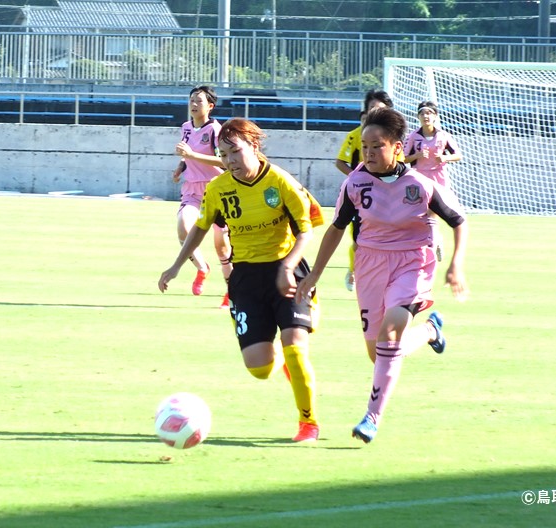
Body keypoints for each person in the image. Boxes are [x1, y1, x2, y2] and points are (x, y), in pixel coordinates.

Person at [296, 107, 469, 444]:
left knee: (391, 328)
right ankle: (430, 332)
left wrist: (456, 264)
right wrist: (314, 273)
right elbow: (336, 228)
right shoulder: (355, 182)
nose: (369, 153)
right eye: (365, 146)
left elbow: (458, 221)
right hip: (369, 265)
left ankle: (371, 418)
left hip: (413, 261)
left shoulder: (420, 184)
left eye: (377, 146)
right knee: (379, 353)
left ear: (397, 148)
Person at [160, 118, 324, 443]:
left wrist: (289, 265)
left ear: (253, 146)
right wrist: (177, 265)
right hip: (246, 279)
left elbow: (307, 230)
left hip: (286, 273)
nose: (229, 160)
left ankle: (309, 423)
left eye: (234, 151)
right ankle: (281, 353)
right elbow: (201, 227)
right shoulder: (220, 188)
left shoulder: (280, 182)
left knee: (295, 348)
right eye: (223, 154)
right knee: (260, 369)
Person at [172, 86, 232, 308]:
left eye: (198, 100)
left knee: (222, 246)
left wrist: (191, 155)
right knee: (183, 227)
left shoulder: (217, 131)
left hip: (216, 191)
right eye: (191, 100)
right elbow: (187, 156)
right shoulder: (186, 128)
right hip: (192, 190)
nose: (193, 104)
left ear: (210, 106)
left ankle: (231, 290)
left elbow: (225, 163)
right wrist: (181, 166)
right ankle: (201, 267)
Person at [334, 89, 399, 292]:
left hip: (390, 194)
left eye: (380, 109)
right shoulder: (355, 135)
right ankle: (354, 271)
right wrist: (357, 177)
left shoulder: (394, 139)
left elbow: (402, 164)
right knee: (359, 239)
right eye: (372, 108)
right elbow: (340, 161)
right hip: (363, 196)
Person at [403, 101, 463, 261]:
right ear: (418, 117)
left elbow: (458, 155)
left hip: (439, 178)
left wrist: (444, 157)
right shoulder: (413, 137)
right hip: (420, 177)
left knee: (433, 214)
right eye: (422, 113)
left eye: (429, 113)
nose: (425, 116)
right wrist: (416, 156)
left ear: (435, 116)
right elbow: (401, 158)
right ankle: (436, 241)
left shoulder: (443, 135)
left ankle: (433, 244)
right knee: (422, 215)